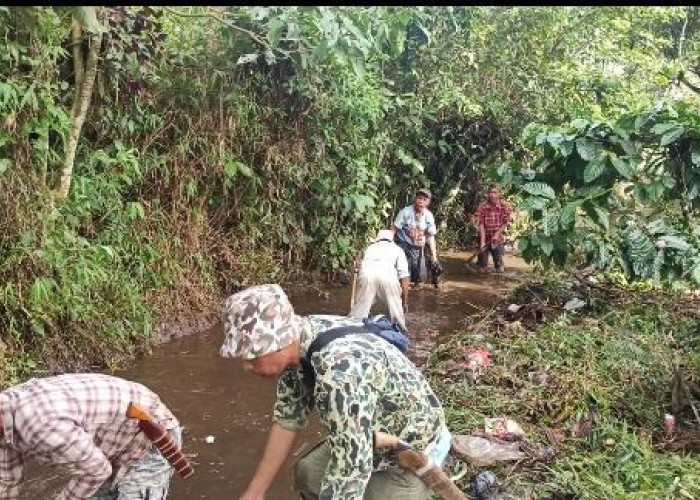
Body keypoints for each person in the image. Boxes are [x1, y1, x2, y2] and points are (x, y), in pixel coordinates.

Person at [220, 284, 450, 500]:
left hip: (409, 448)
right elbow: (287, 419)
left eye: (251, 355)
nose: (246, 365)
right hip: (369, 433)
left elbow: (351, 470)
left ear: (277, 343)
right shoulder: (298, 344)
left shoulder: (338, 372)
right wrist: (254, 494)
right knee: (308, 475)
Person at [0, 373, 183, 500]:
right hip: (106, 442)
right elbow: (8, 481)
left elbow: (98, 472)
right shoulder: (5, 411)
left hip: (148, 435)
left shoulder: (41, 428)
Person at [348, 229, 410, 329]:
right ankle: (401, 330)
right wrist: (405, 302)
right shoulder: (398, 250)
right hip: (388, 278)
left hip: (367, 276)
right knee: (397, 315)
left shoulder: (368, 248)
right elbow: (404, 277)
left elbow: (358, 267)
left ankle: (352, 327)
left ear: (377, 239)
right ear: (392, 240)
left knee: (358, 315)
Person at [392, 188, 441, 288]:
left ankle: (416, 283)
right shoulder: (405, 212)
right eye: (419, 198)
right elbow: (394, 229)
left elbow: (431, 237)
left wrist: (434, 257)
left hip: (417, 244)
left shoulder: (428, 216)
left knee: (417, 272)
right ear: (415, 199)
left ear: (428, 202)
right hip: (403, 242)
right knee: (400, 266)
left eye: (424, 199)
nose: (421, 201)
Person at [475, 183, 511, 273]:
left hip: (497, 239)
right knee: (481, 269)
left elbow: (505, 222)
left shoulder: (505, 206)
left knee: (500, 269)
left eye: (495, 192)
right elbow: (480, 224)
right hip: (484, 237)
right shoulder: (482, 206)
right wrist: (482, 241)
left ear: (499, 194)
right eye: (490, 192)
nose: (492, 195)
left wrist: (497, 234)